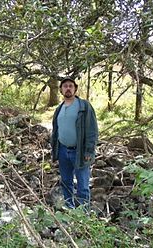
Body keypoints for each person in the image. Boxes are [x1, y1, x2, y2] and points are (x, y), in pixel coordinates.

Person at [51, 77, 98, 209]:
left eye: (71, 86)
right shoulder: (58, 109)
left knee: (83, 185)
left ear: (75, 89)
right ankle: (70, 209)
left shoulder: (84, 106)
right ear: (61, 90)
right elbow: (56, 131)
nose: (68, 88)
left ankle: (83, 215)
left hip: (80, 151)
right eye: (65, 86)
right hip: (62, 151)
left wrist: (89, 150)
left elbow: (92, 130)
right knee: (66, 182)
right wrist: (54, 151)